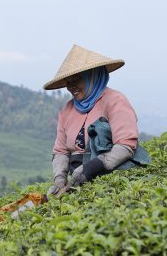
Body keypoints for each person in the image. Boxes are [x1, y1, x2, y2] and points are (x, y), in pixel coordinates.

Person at [44, 44, 150, 196]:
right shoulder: (67, 110)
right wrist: (60, 180)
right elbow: (60, 151)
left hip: (110, 173)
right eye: (68, 82)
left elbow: (126, 145)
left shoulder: (115, 101)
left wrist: (90, 168)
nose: (71, 86)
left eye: (77, 79)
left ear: (92, 76)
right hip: (77, 181)